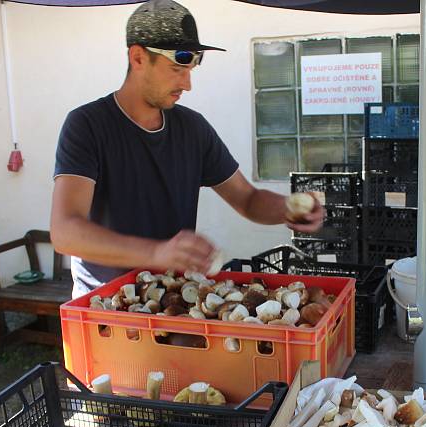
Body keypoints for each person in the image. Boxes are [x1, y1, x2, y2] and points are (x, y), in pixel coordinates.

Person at [50, 0, 323, 297]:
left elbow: (248, 199)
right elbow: (65, 232)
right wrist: (156, 253)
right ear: (138, 57)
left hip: (175, 299)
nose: (188, 83)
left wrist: (287, 208)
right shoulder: (87, 125)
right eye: (177, 69)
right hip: (105, 307)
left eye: (191, 69)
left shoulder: (193, 128)